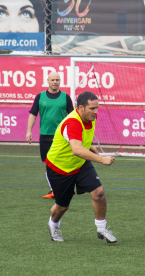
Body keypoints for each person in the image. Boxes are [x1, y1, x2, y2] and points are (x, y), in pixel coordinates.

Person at [45, 91, 117, 243]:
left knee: (99, 193)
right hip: (60, 168)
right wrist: (101, 159)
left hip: (80, 164)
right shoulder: (72, 122)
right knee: (62, 207)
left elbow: (80, 139)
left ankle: (101, 228)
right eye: (92, 108)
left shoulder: (91, 117)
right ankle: (53, 224)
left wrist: (89, 146)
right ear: (80, 108)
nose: (95, 111)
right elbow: (76, 149)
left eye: (97, 108)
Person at [26, 72, 74, 199]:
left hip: (62, 137)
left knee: (64, 162)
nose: (55, 82)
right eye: (52, 80)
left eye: (57, 80)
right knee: (48, 164)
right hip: (45, 136)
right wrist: (29, 131)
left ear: (60, 81)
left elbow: (73, 117)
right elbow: (33, 114)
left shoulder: (65, 97)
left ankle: (67, 187)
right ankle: (54, 190)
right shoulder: (40, 97)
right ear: (47, 80)